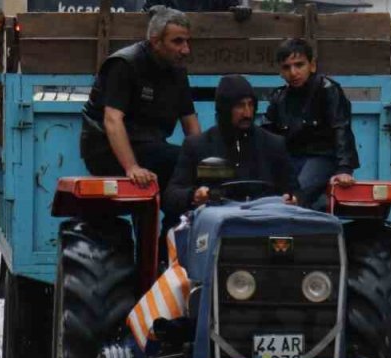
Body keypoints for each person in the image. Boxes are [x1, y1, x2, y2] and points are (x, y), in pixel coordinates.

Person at [80, 6, 202, 192]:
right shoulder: (125, 64)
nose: (186, 49)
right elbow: (112, 120)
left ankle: (178, 220)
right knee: (178, 161)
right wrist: (132, 167)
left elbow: (190, 122)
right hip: (106, 149)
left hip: (149, 146)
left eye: (187, 41)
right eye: (177, 42)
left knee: (193, 165)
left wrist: (204, 161)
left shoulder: (176, 71)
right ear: (156, 42)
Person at [162, 75, 298, 220]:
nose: (247, 113)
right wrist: (194, 195)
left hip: (264, 223)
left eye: (250, 104)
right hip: (215, 225)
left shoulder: (273, 144)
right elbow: (172, 196)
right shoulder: (197, 146)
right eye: (240, 106)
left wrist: (293, 199)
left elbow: (295, 191)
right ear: (225, 108)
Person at [263, 38, 358, 210]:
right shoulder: (279, 98)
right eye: (286, 67)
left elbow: (341, 128)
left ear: (312, 65)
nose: (293, 72)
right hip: (291, 160)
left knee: (295, 195)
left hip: (322, 157)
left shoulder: (328, 90)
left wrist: (344, 168)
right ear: (280, 72)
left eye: (299, 65)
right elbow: (266, 135)